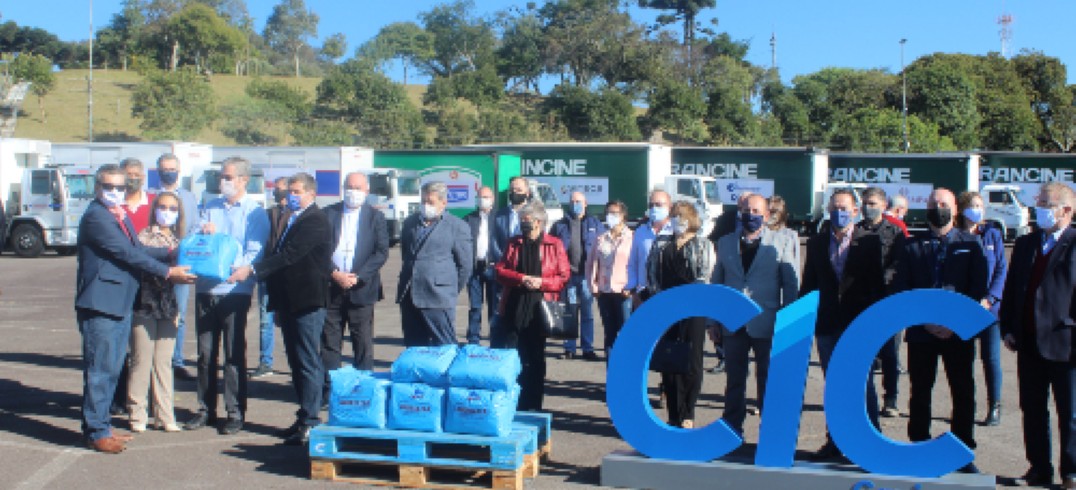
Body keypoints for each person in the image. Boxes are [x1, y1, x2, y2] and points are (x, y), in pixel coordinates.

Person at [75, 164, 194, 454]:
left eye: (120, 187)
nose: (115, 192)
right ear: (97, 187)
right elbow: (126, 253)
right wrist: (168, 272)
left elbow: (139, 250)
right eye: (109, 187)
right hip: (101, 303)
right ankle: (96, 431)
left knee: (114, 368)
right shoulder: (97, 217)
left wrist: (173, 252)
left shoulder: (120, 216)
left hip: (120, 303)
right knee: (100, 370)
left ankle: (102, 425)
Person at [892, 188, 988, 474]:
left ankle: (961, 450)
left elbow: (977, 288)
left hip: (958, 333)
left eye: (944, 204)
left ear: (955, 208)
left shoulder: (971, 244)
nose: (938, 208)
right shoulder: (911, 245)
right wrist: (925, 322)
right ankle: (919, 444)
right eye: (933, 204)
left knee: (962, 390)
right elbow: (903, 288)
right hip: (923, 332)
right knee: (920, 390)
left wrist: (953, 323)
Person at [239, 172, 333, 446]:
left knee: (307, 361)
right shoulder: (291, 218)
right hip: (290, 301)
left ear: (311, 194)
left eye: (296, 191)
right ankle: (303, 415)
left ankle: (312, 420)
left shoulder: (315, 220)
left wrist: (253, 269)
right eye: (288, 191)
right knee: (294, 360)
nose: (289, 196)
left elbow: (291, 255)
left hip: (308, 301)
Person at [182, 157, 269, 436]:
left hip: (234, 290)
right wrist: (203, 231)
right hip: (206, 287)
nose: (224, 182)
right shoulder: (211, 206)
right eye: (222, 177)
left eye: (229, 177)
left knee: (233, 354)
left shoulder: (254, 212)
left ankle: (235, 412)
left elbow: (256, 250)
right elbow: (196, 240)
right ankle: (205, 410)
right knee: (206, 353)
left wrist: (239, 271)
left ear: (244, 180)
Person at [1000, 182, 1076, 488]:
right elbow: (1012, 288)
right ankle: (1039, 467)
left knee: (1070, 413)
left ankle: (1071, 471)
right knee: (1032, 409)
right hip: (1028, 341)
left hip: (1065, 343)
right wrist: (1007, 327)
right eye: (1040, 202)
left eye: (1047, 203)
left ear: (1066, 210)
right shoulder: (1026, 244)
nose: (1039, 208)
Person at [802, 189, 887, 461]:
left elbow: (877, 285)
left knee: (863, 384)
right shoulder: (816, 243)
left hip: (858, 323)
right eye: (835, 207)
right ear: (828, 210)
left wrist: (875, 324)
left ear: (855, 211)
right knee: (834, 385)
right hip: (827, 324)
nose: (839, 212)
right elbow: (809, 284)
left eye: (845, 207)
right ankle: (835, 441)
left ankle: (871, 441)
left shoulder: (871, 242)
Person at [711, 193, 799, 436]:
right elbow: (717, 282)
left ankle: (770, 431)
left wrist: (788, 320)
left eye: (757, 211)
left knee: (768, 380)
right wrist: (713, 321)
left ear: (767, 215)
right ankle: (731, 428)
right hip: (733, 323)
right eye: (747, 210)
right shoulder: (726, 242)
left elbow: (790, 285)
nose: (751, 215)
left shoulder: (779, 242)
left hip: (767, 322)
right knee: (734, 380)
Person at [645, 201, 715, 428]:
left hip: (693, 310)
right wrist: (660, 299)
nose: (677, 220)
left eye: (682, 215)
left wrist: (687, 302)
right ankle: (673, 413)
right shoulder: (661, 243)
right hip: (666, 308)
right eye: (674, 215)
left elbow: (703, 276)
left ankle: (688, 412)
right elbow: (652, 274)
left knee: (692, 360)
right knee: (670, 359)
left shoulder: (702, 244)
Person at [494, 202, 570, 410]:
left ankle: (534, 404)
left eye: (526, 222)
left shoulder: (554, 244)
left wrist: (541, 282)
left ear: (538, 222)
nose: (523, 225)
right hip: (515, 305)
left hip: (541, 307)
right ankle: (514, 404)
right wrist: (521, 278)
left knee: (536, 358)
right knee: (513, 357)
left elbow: (563, 276)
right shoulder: (513, 243)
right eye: (521, 222)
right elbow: (500, 271)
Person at [321, 171, 389, 394]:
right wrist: (334, 273)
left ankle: (364, 389)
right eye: (350, 187)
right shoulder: (328, 213)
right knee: (330, 342)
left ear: (367, 191)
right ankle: (330, 389)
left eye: (358, 188)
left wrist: (358, 276)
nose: (354, 192)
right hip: (332, 287)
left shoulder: (375, 217)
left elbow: (381, 252)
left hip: (362, 289)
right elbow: (318, 249)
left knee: (362, 343)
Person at [127, 192, 186, 433]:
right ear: (154, 209)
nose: (167, 212)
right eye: (163, 207)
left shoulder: (179, 239)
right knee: (141, 360)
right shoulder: (143, 236)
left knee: (163, 362)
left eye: (173, 208)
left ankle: (164, 414)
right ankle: (137, 413)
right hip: (144, 302)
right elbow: (141, 258)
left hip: (168, 304)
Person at [397, 182, 473, 346]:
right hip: (410, 295)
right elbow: (407, 255)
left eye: (430, 202)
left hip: (439, 297)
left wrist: (449, 288)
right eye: (423, 201)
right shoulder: (410, 223)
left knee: (444, 346)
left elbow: (465, 266)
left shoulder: (457, 226)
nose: (425, 206)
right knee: (414, 346)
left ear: (443, 203)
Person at [956, 190, 1007, 427]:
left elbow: (1001, 271)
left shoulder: (992, 235)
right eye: (972, 205)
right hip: (964, 310)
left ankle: (994, 406)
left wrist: (991, 298)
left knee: (991, 359)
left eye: (980, 205)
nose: (977, 210)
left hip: (989, 310)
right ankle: (966, 407)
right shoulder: (955, 236)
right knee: (964, 362)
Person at [857, 187, 906, 418]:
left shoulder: (895, 232)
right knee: (864, 353)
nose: (869, 207)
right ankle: (865, 399)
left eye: (874, 203)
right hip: (858, 300)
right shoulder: (855, 231)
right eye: (866, 202)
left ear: (884, 206)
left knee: (890, 354)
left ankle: (891, 399)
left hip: (887, 299)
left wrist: (883, 282)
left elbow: (899, 265)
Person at [155, 154, 200, 383]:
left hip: (181, 263)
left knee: (178, 314)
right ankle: (155, 359)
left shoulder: (189, 198)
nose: (168, 172)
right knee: (152, 312)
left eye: (172, 168)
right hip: (155, 265)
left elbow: (194, 228)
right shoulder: (152, 196)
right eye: (164, 169)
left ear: (179, 170)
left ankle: (177, 361)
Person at [551, 191, 602, 360]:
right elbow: (551, 250)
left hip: (587, 275)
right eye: (572, 201)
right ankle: (569, 347)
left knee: (587, 313)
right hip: (568, 276)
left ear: (586, 203)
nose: (575, 204)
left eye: (578, 201)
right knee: (569, 312)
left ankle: (587, 348)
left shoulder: (594, 223)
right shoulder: (560, 225)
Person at [251, 177, 292, 378]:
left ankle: (294, 362)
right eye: (275, 189)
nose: (277, 193)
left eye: (281, 189)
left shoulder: (296, 214)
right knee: (265, 321)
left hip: (287, 274)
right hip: (267, 274)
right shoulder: (269, 214)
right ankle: (265, 362)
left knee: (289, 321)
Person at [586, 200, 633, 362]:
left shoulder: (632, 238)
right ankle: (612, 378)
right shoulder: (601, 239)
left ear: (623, 217)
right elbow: (591, 264)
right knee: (610, 333)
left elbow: (637, 264)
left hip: (624, 293)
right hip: (604, 291)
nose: (611, 216)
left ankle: (626, 374)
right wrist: (593, 285)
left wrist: (632, 287)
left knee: (627, 333)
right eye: (608, 213)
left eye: (615, 213)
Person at [464, 186, 501, 345]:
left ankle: (495, 339)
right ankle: (473, 339)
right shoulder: (469, 219)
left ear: (492, 199)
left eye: (486, 197)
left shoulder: (499, 218)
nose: (483, 200)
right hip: (474, 269)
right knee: (475, 307)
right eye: (480, 197)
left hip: (493, 267)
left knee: (494, 308)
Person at [625, 190, 674, 307]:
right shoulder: (641, 232)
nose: (654, 208)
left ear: (670, 207)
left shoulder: (675, 231)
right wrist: (634, 292)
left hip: (668, 294)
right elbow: (633, 262)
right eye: (651, 205)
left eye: (659, 205)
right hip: (644, 295)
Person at [119, 158, 155, 233]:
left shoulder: (154, 201)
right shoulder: (114, 203)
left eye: (136, 175)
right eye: (128, 175)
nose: (132, 178)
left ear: (143, 178)